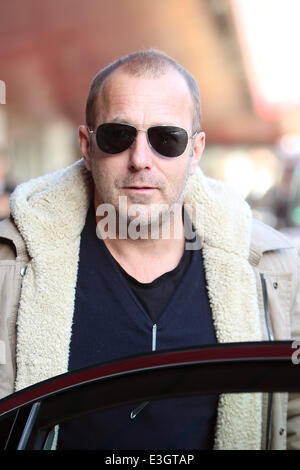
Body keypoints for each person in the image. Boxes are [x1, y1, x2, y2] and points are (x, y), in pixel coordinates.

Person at [0, 50, 299, 450]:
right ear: (87, 147)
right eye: (118, 136)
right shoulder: (10, 266)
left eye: (166, 139)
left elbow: (292, 414)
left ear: (195, 152)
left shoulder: (271, 271)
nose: (140, 159)